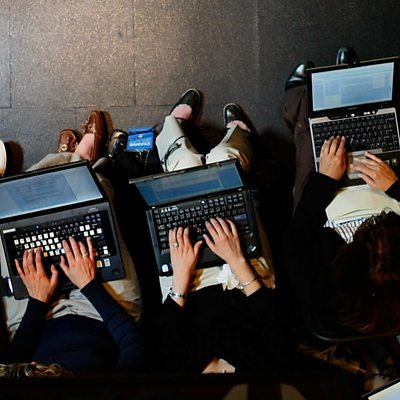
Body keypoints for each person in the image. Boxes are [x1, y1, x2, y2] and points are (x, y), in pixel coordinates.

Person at [0, 112, 149, 374]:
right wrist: (89, 284)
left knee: (11, 220)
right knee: (98, 198)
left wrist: (38, 300)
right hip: (104, 314)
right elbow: (134, 345)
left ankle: (71, 160)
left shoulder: (21, 391)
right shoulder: (109, 392)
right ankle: (83, 163)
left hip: (33, 319)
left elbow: (14, 360)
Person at [152, 89, 288, 373]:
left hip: (188, 284)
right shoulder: (261, 372)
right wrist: (237, 260)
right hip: (246, 280)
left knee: (184, 169)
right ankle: (239, 138)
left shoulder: (179, 376)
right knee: (224, 162)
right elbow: (273, 320)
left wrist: (181, 277)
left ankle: (173, 132)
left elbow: (164, 335)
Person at [281, 47, 400, 336]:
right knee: (385, 131)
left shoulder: (318, 287)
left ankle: (301, 97)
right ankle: (355, 93)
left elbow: (298, 234)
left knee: (313, 139)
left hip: (325, 205)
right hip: (386, 192)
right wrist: (395, 186)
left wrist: (324, 180)